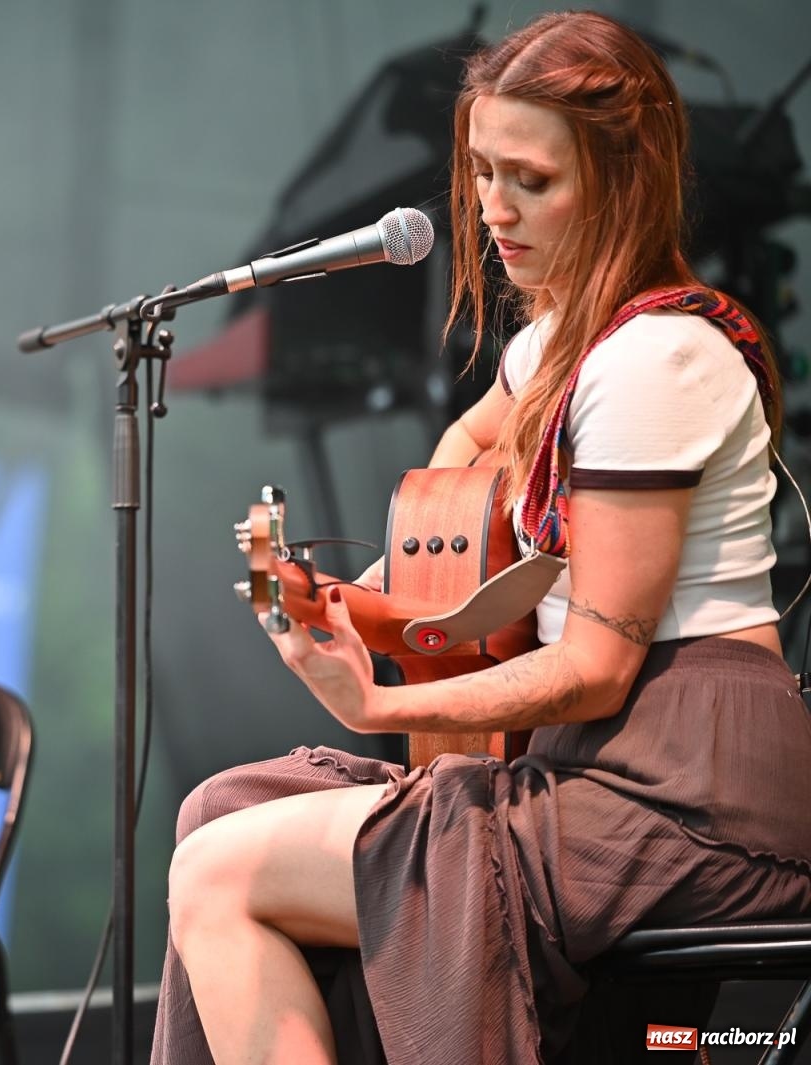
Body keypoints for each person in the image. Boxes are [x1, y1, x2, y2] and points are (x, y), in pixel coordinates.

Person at [153, 12, 811, 1065]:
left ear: (621, 178)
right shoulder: (559, 346)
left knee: (223, 871)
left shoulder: (658, 358)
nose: (492, 211)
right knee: (218, 812)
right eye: (478, 174)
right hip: (591, 771)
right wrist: (356, 600)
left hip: (686, 797)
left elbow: (594, 669)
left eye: (530, 181)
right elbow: (461, 476)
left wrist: (383, 698)